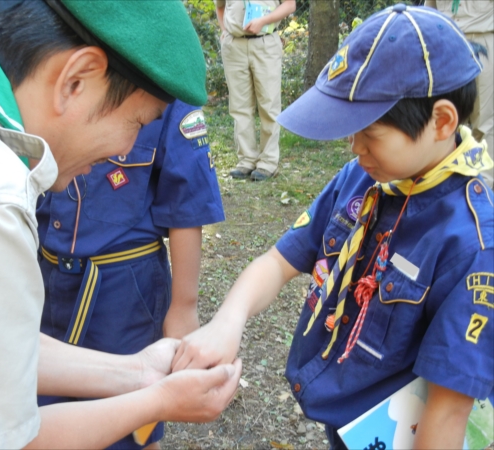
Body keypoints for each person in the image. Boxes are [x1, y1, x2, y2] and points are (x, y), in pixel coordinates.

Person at [0, 1, 242, 448]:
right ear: (75, 80)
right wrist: (158, 402)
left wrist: (139, 371)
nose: (129, 147)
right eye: (137, 122)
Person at [172, 4, 493, 449]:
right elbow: (278, 261)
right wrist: (229, 320)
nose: (355, 146)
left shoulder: (473, 243)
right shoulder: (363, 179)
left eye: (370, 132)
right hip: (348, 426)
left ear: (441, 122)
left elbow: (449, 409)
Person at [36, 101, 225, 450]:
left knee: (130, 421)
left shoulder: (167, 90)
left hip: (125, 291)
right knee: (38, 402)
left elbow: (186, 203)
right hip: (45, 278)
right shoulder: (62, 73)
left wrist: (183, 307)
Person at [216, 0, 296, 181]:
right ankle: (246, 160)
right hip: (234, 46)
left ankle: (268, 163)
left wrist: (263, 21)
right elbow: (220, 6)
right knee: (239, 106)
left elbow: (290, 5)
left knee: (269, 105)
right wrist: (224, 30)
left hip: (265, 43)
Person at [424, 0, 493, 189]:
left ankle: (483, 188)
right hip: (447, 44)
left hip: (484, 40)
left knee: (484, 122)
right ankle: (449, 184)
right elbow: (429, 11)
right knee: (449, 119)